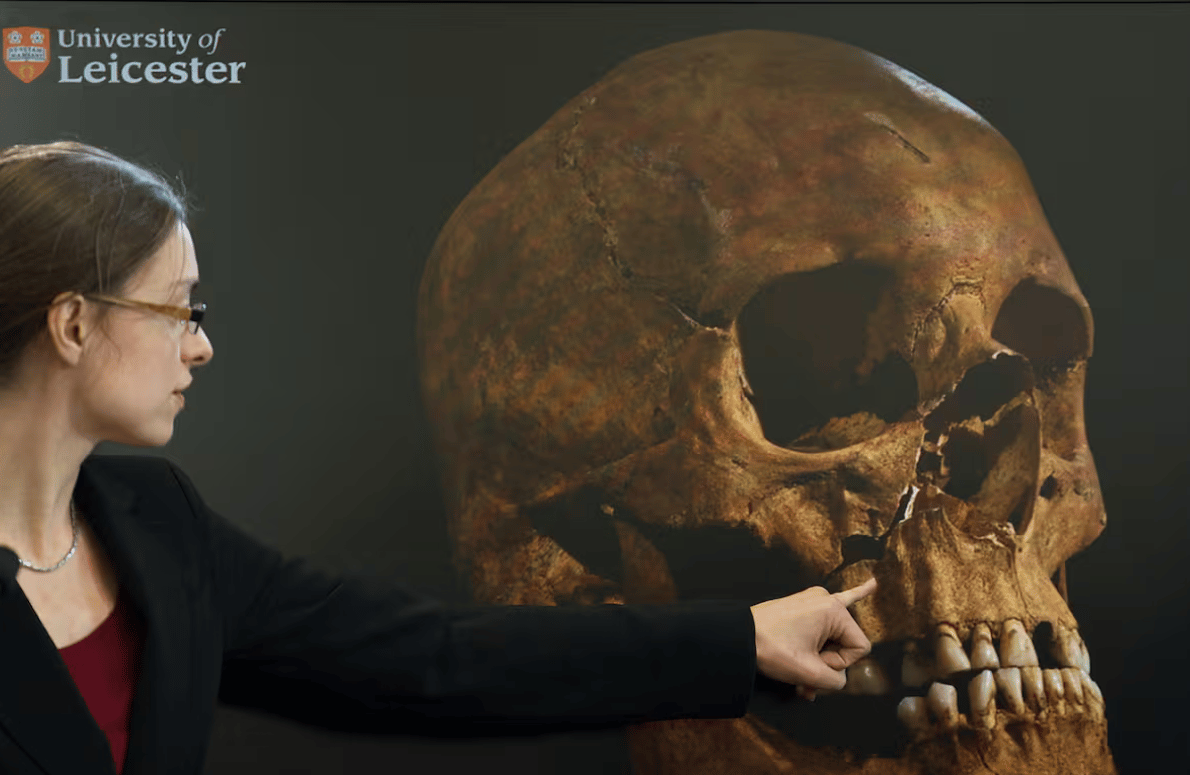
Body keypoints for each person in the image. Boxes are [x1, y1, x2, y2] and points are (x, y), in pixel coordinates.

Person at [0, 141, 876, 775]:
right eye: (179, 311)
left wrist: (740, 637)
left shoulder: (160, 525)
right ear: (74, 325)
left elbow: (436, 657)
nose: (201, 348)